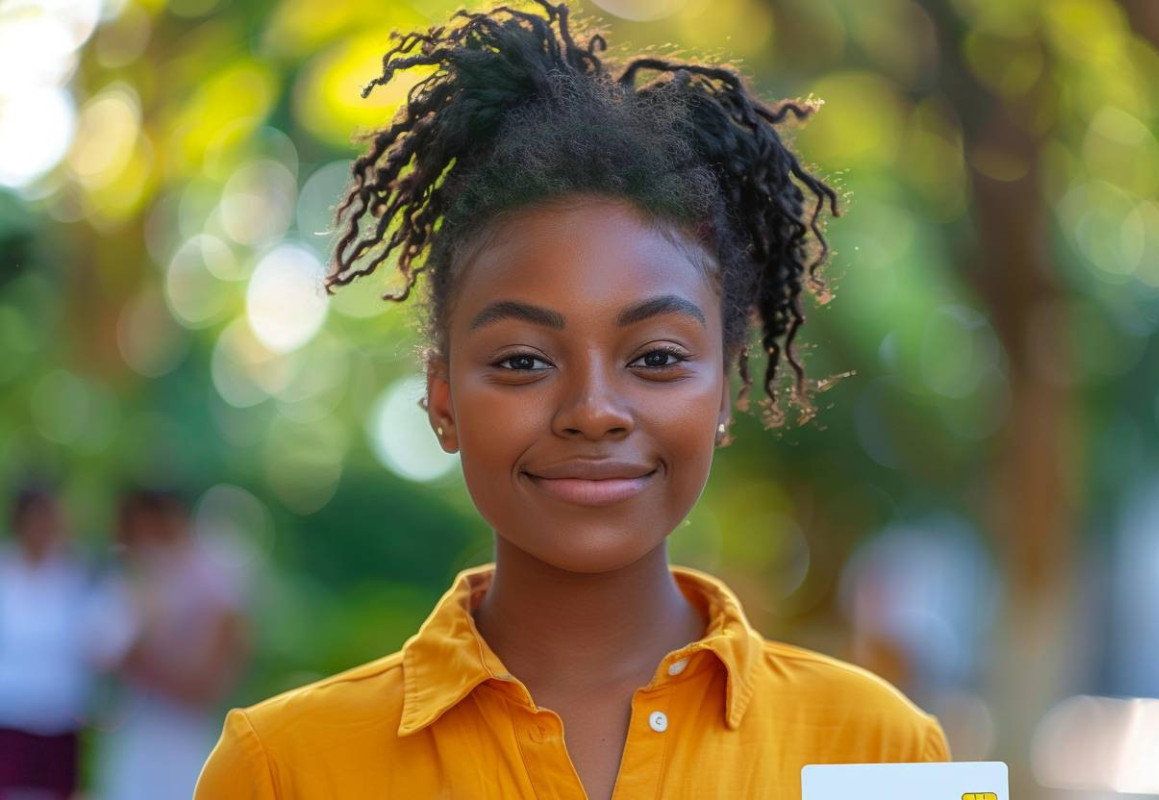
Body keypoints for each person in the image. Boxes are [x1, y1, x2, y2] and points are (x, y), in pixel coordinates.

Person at [196, 2, 951, 796]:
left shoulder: (884, 752)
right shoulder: (283, 768)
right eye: (523, 360)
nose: (594, 409)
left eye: (657, 357)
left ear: (723, 391)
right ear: (442, 399)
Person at [97, 488, 250, 800]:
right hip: (135, 738)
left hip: (189, 742)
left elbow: (207, 684)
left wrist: (149, 659)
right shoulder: (129, 582)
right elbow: (103, 656)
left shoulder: (218, 582)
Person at [0, 484, 125, 800]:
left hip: (60, 718)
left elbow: (101, 638)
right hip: (10, 715)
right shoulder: (6, 571)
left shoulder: (77, 573)